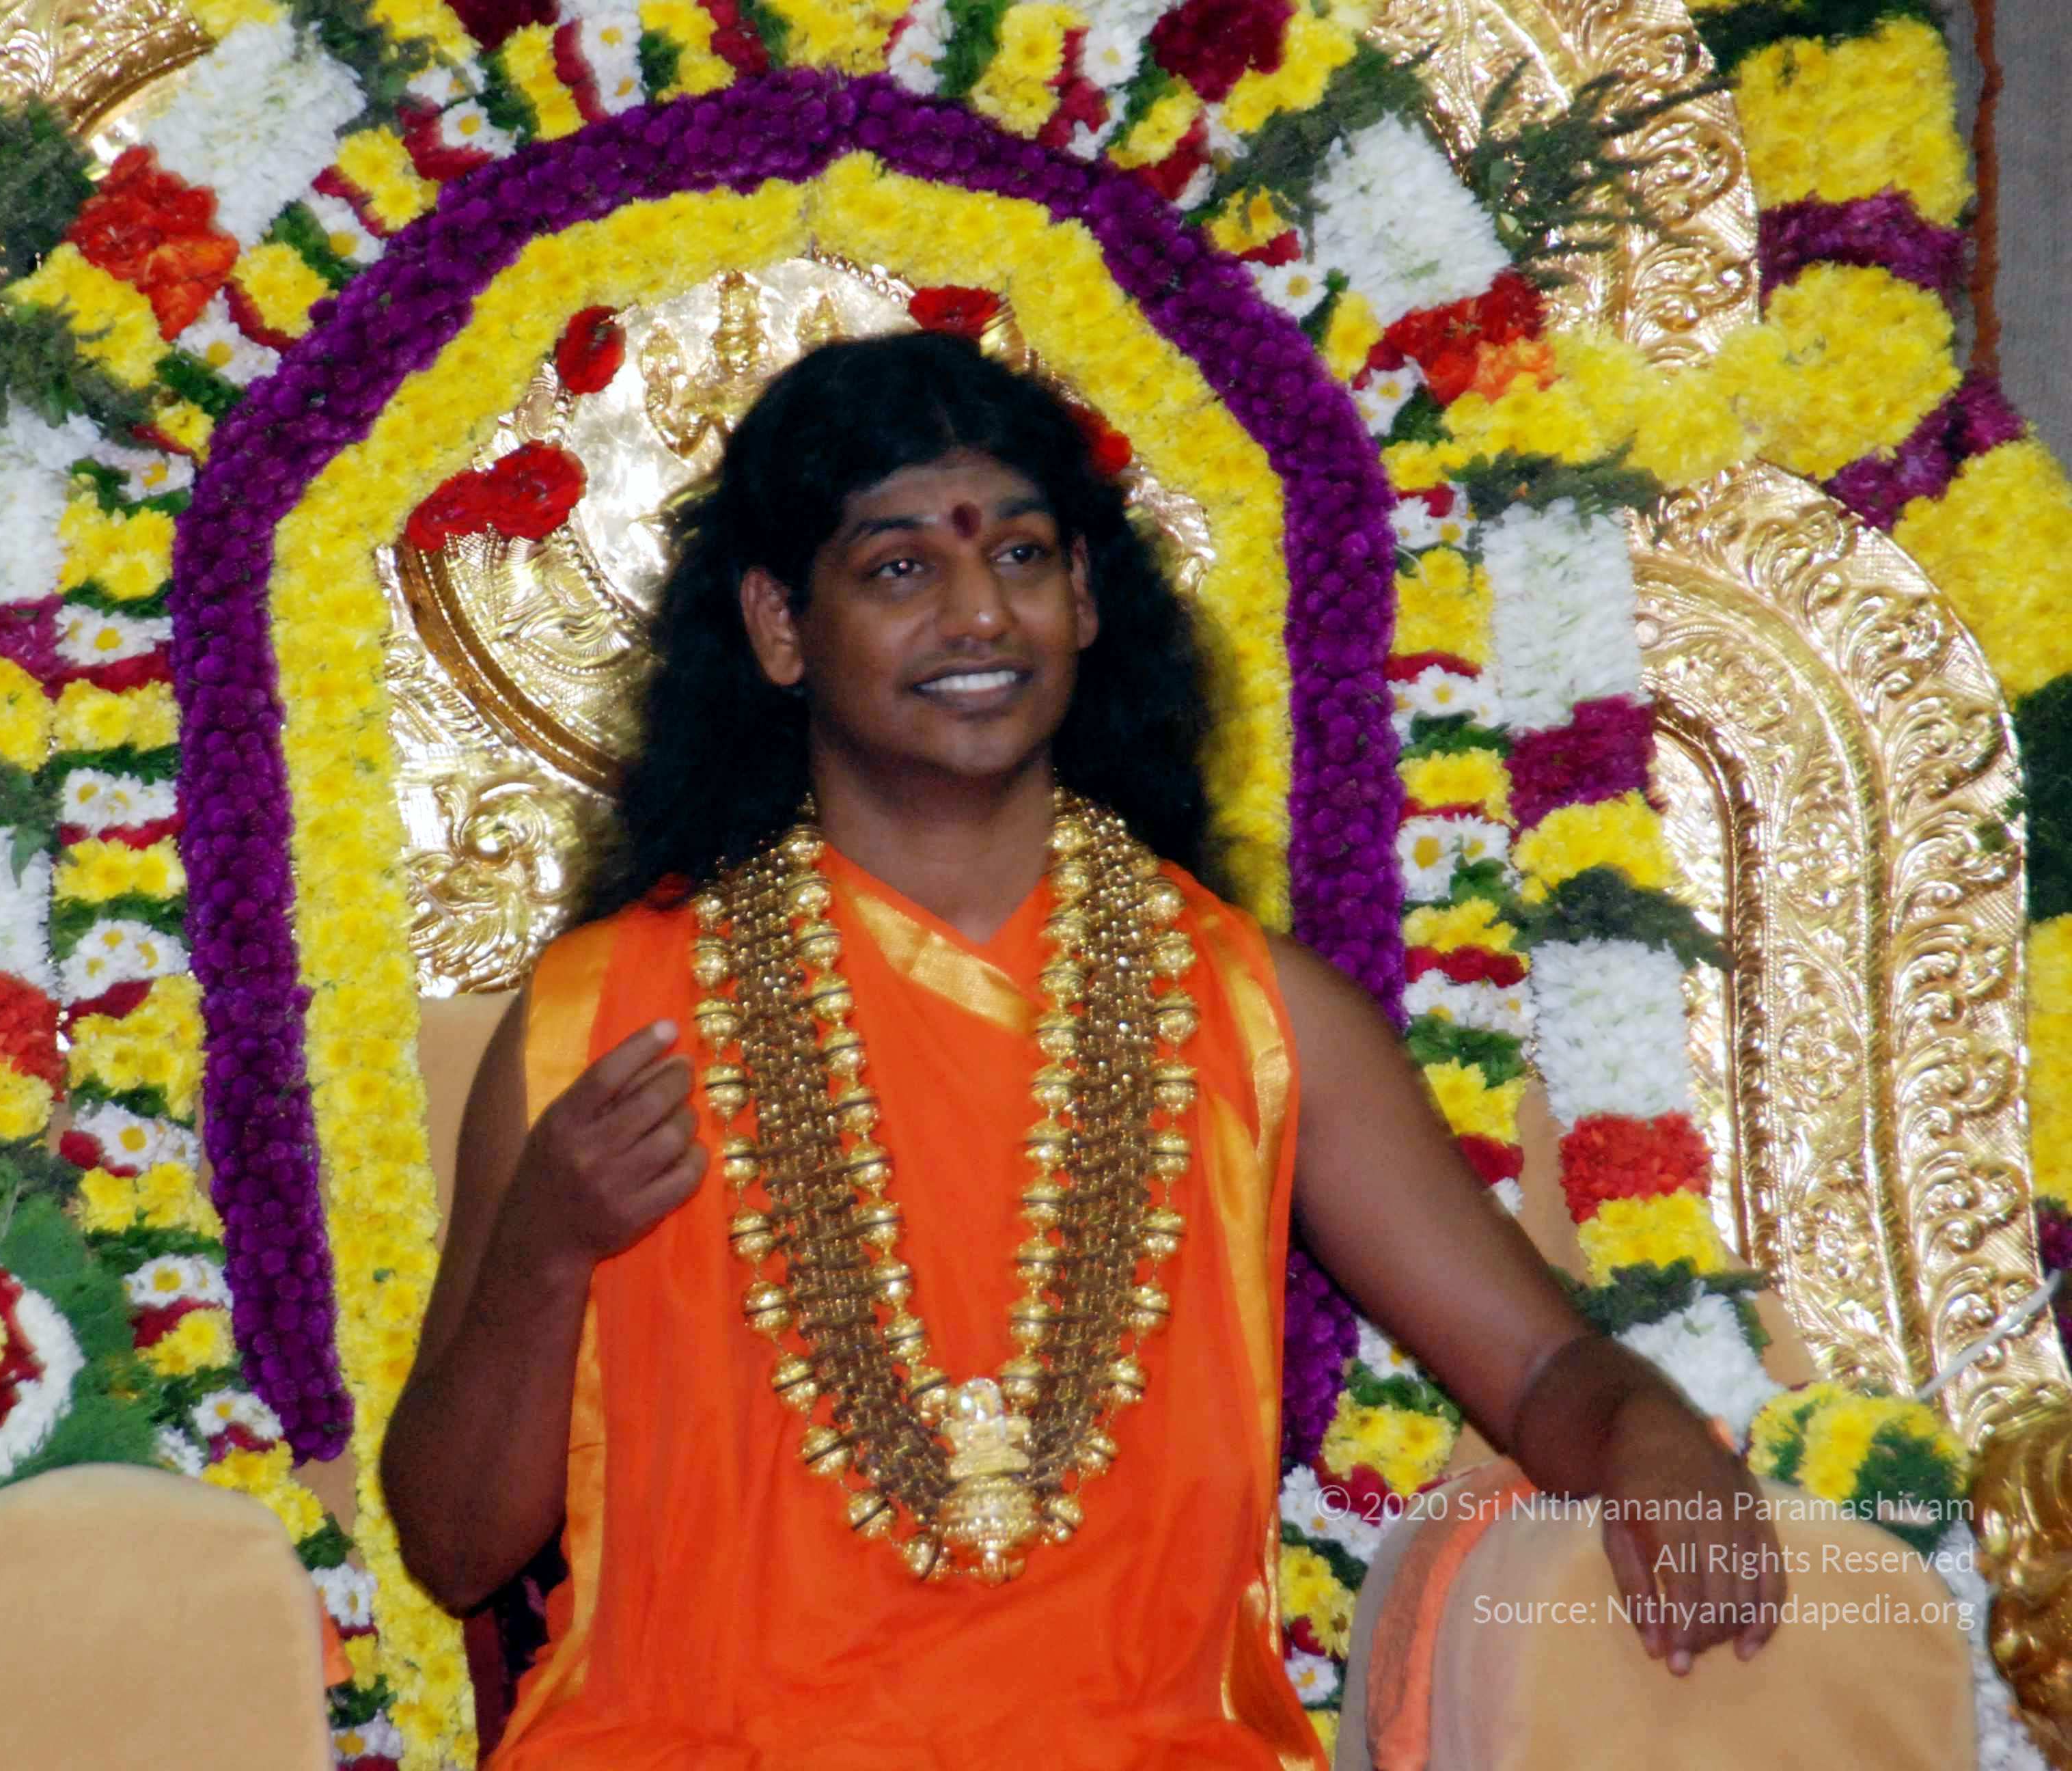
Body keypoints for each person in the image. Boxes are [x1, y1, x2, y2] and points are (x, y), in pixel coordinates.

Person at [378, 332, 1787, 1768]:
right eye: (900, 569)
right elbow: (452, 1546)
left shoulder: (1253, 1011)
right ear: (779, 626)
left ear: (1087, 597)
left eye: (1024, 555)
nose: (981, 613)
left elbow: (1538, 1368)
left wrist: (1649, 1438)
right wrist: (546, 1246)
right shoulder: (604, 1020)